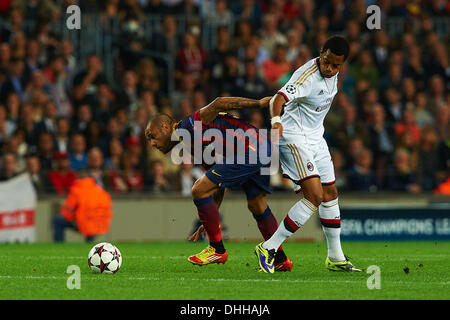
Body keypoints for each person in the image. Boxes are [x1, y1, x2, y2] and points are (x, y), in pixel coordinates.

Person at [214, 36, 362, 273]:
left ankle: (335, 256)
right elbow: (277, 99)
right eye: (326, 62)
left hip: (315, 137)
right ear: (320, 53)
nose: (330, 68)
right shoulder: (307, 75)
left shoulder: (333, 75)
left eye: (336, 65)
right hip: (293, 136)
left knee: (330, 192)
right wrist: (275, 122)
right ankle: (269, 247)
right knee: (314, 196)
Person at [144, 96, 293, 271]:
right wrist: (209, 221)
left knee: (198, 189)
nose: (152, 143)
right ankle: (281, 259)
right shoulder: (191, 143)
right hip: (260, 147)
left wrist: (259, 104)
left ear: (165, 127)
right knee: (257, 204)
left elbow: (219, 103)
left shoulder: (190, 125)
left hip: (251, 149)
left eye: (152, 136)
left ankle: (217, 249)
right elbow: (215, 184)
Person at [53, 175, 113, 242]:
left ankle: (59, 245)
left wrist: (64, 207)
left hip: (84, 223)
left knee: (58, 221)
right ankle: (90, 244)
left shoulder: (76, 190)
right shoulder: (101, 191)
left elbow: (69, 210)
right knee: (90, 228)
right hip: (101, 225)